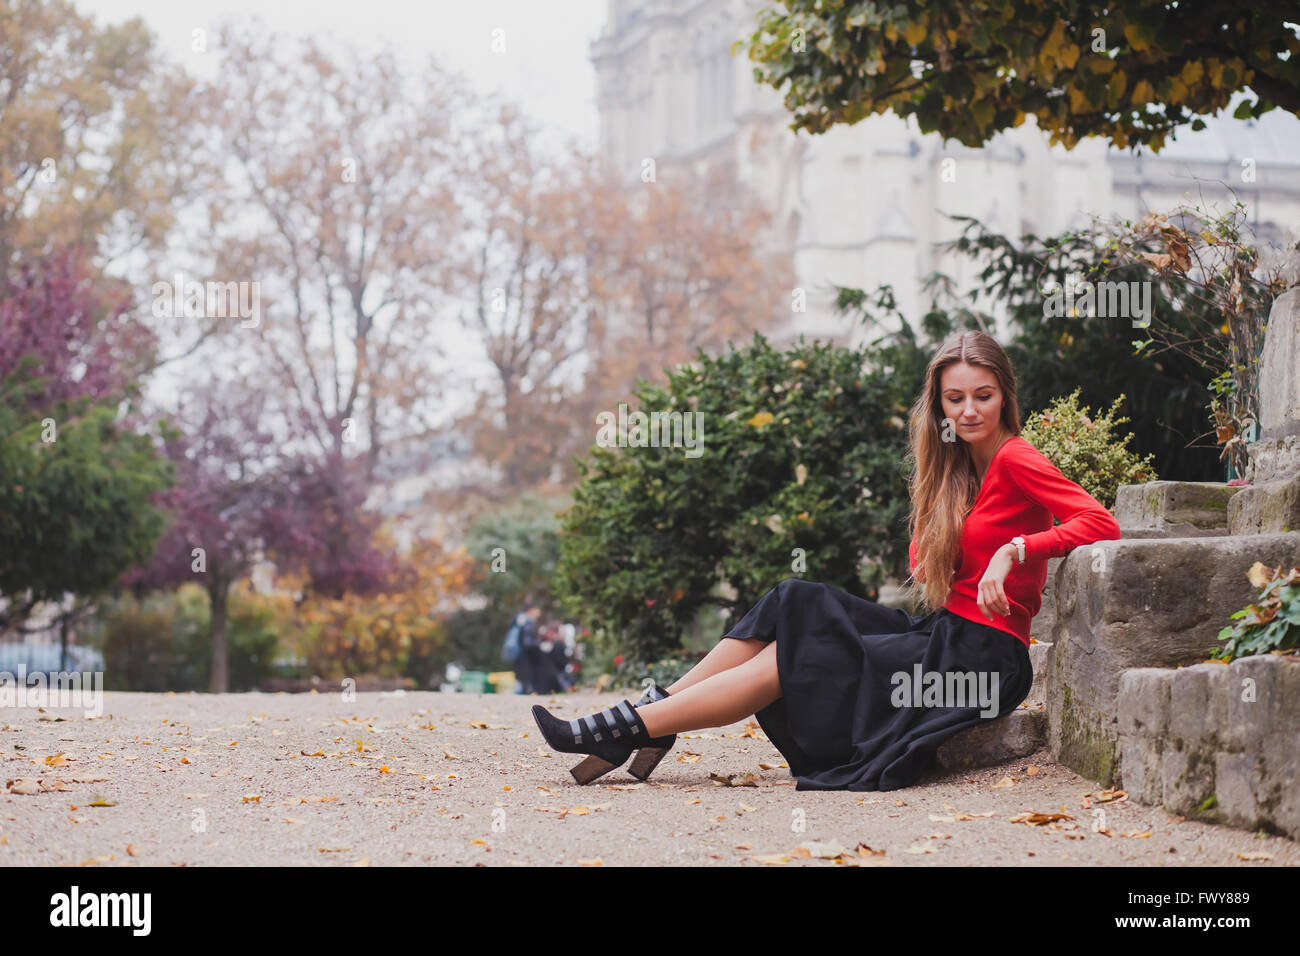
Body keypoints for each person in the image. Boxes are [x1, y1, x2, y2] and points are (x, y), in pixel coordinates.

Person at [533, 330, 1124, 788]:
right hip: (945, 634)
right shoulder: (953, 468)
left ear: (1004, 396)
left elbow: (1102, 522)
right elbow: (930, 569)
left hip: (985, 661)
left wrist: (1015, 550)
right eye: (955, 398)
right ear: (939, 403)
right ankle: (653, 715)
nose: (969, 411)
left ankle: (627, 728)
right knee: (794, 599)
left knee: (799, 654)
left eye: (983, 396)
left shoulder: (1017, 457)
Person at [511, 602, 542, 694]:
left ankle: (517, 695)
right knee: (525, 681)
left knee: (522, 681)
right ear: (531, 610)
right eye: (537, 609)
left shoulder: (519, 620)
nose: (539, 612)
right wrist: (539, 643)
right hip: (525, 657)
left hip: (519, 655)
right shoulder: (527, 622)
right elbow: (527, 642)